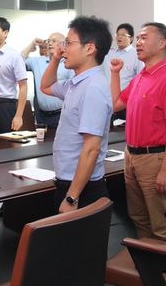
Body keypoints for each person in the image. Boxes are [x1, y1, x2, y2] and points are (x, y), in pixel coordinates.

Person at [110, 22, 166, 241]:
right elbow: (116, 104)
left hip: (155, 159)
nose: (138, 43)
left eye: (144, 38)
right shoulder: (142, 75)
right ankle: (147, 260)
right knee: (138, 218)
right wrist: (115, 74)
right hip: (132, 156)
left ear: (162, 43)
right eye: (138, 38)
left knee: (160, 223)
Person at [40, 16, 113, 212]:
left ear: (89, 48)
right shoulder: (76, 83)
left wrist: (72, 197)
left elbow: (91, 148)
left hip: (82, 189)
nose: (63, 49)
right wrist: (55, 58)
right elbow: (46, 86)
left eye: (69, 43)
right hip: (70, 182)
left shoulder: (93, 88)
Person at [21, 32, 74, 128]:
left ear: (63, 44)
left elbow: (74, 89)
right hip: (41, 116)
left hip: (61, 114)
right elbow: (18, 61)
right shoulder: (37, 61)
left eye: (54, 41)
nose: (50, 43)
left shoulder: (68, 62)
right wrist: (31, 45)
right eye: (49, 41)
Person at [103, 23, 143, 120]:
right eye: (117, 35)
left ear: (131, 38)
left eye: (123, 35)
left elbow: (140, 80)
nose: (119, 37)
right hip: (106, 99)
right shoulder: (108, 53)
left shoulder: (136, 55)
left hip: (125, 102)